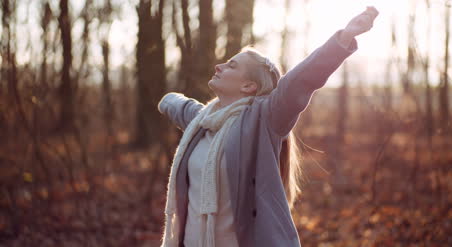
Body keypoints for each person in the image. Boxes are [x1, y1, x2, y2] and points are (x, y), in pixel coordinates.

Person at [157, 6, 379, 247]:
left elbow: (301, 80)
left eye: (231, 65)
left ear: (249, 86)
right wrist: (166, 100)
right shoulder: (204, 121)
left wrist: (344, 37)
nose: (219, 66)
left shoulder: (264, 120)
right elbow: (180, 106)